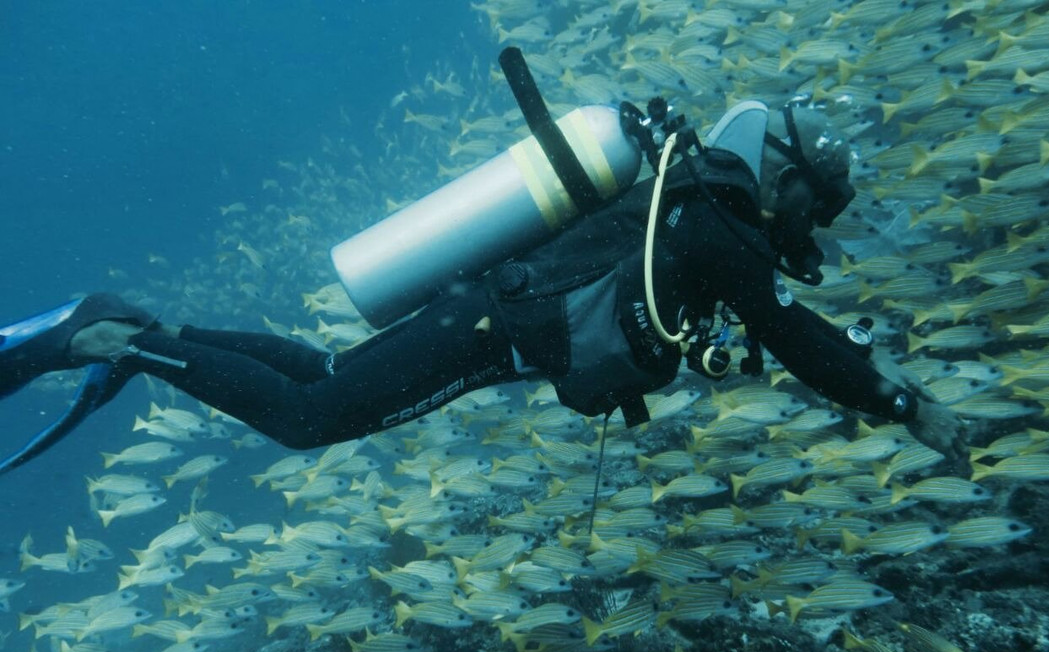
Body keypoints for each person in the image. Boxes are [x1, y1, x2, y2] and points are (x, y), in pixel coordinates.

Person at [0, 102, 966, 472]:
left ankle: (152, 326)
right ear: (786, 175)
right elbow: (800, 340)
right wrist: (900, 401)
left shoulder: (695, 201)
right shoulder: (721, 230)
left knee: (327, 371)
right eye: (818, 202)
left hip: (487, 314)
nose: (814, 223)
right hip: (489, 330)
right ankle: (120, 342)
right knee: (311, 419)